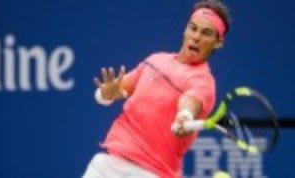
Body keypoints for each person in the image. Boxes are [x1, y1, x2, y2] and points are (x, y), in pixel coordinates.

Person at [83, 0, 231, 177]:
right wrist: (106, 93)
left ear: (218, 42)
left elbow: (190, 101)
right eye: (193, 28)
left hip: (150, 173)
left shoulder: (203, 81)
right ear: (185, 29)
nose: (196, 37)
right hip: (108, 165)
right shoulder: (156, 60)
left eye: (206, 33)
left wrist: (185, 115)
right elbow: (119, 89)